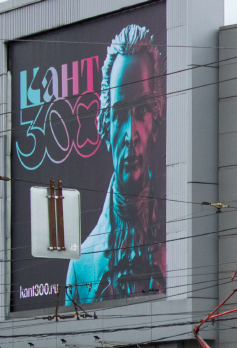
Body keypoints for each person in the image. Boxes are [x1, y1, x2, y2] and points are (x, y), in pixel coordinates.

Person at [64, 24, 166, 305]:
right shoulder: (81, 265)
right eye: (120, 114)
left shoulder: (181, 247)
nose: (130, 135)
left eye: (142, 109)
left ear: (156, 122)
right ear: (105, 126)